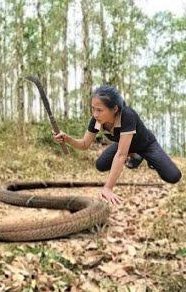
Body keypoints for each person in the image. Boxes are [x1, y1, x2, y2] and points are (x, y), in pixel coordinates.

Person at [53, 85, 181, 205]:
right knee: (101, 165)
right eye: (93, 109)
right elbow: (84, 144)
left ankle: (142, 156)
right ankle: (135, 156)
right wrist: (67, 139)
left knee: (173, 176)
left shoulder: (128, 115)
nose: (95, 114)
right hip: (123, 144)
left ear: (115, 109)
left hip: (145, 145)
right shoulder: (96, 120)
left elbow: (121, 155)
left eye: (99, 110)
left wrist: (108, 188)